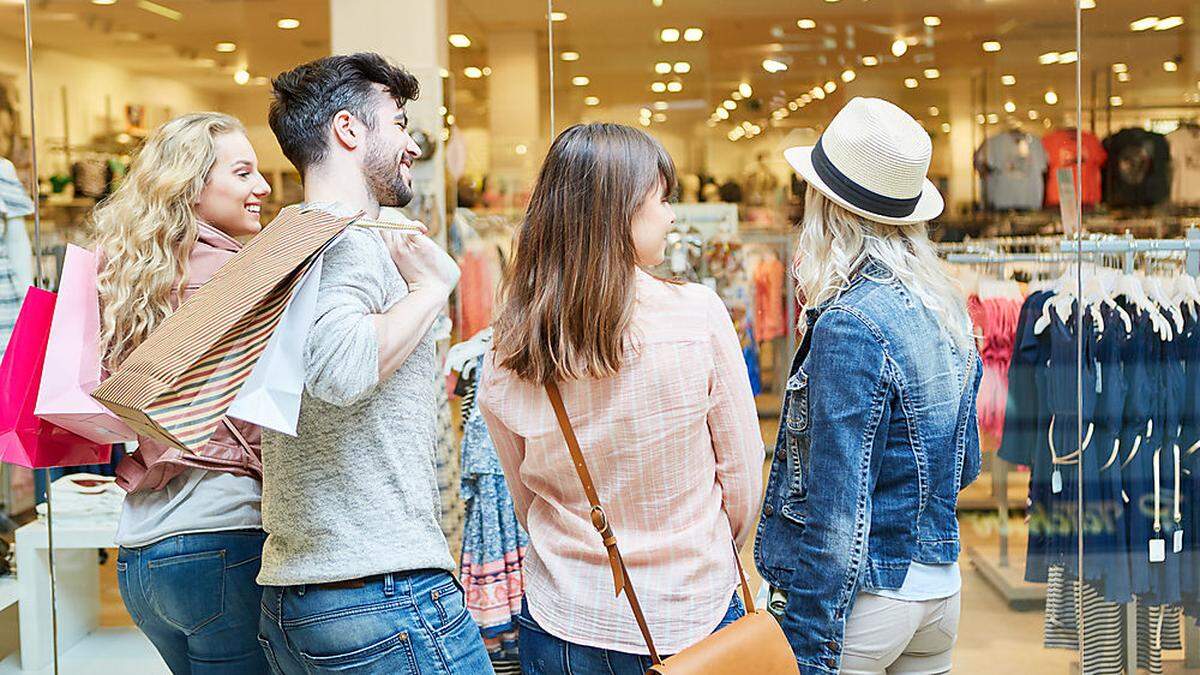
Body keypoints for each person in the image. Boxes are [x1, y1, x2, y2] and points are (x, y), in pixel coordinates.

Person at [479, 123, 764, 675]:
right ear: (619, 211)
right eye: (662, 199)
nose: (673, 215)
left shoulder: (512, 340)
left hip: (566, 613)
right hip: (692, 609)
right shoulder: (698, 317)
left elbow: (524, 494)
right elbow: (744, 480)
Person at [256, 53, 492, 674]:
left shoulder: (288, 243)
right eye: (398, 123)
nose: (412, 144)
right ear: (348, 130)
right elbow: (342, 369)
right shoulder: (349, 245)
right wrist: (430, 290)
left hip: (305, 588)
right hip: (378, 593)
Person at [754, 97, 982, 675]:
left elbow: (835, 511)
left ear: (826, 208)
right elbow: (967, 464)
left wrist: (805, 638)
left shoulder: (850, 323)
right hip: (940, 587)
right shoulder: (945, 309)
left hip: (871, 600)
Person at [98, 112, 272, 674]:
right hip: (220, 537)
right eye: (243, 173)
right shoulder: (236, 276)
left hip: (140, 552)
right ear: (192, 187)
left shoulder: (130, 273)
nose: (262, 187)